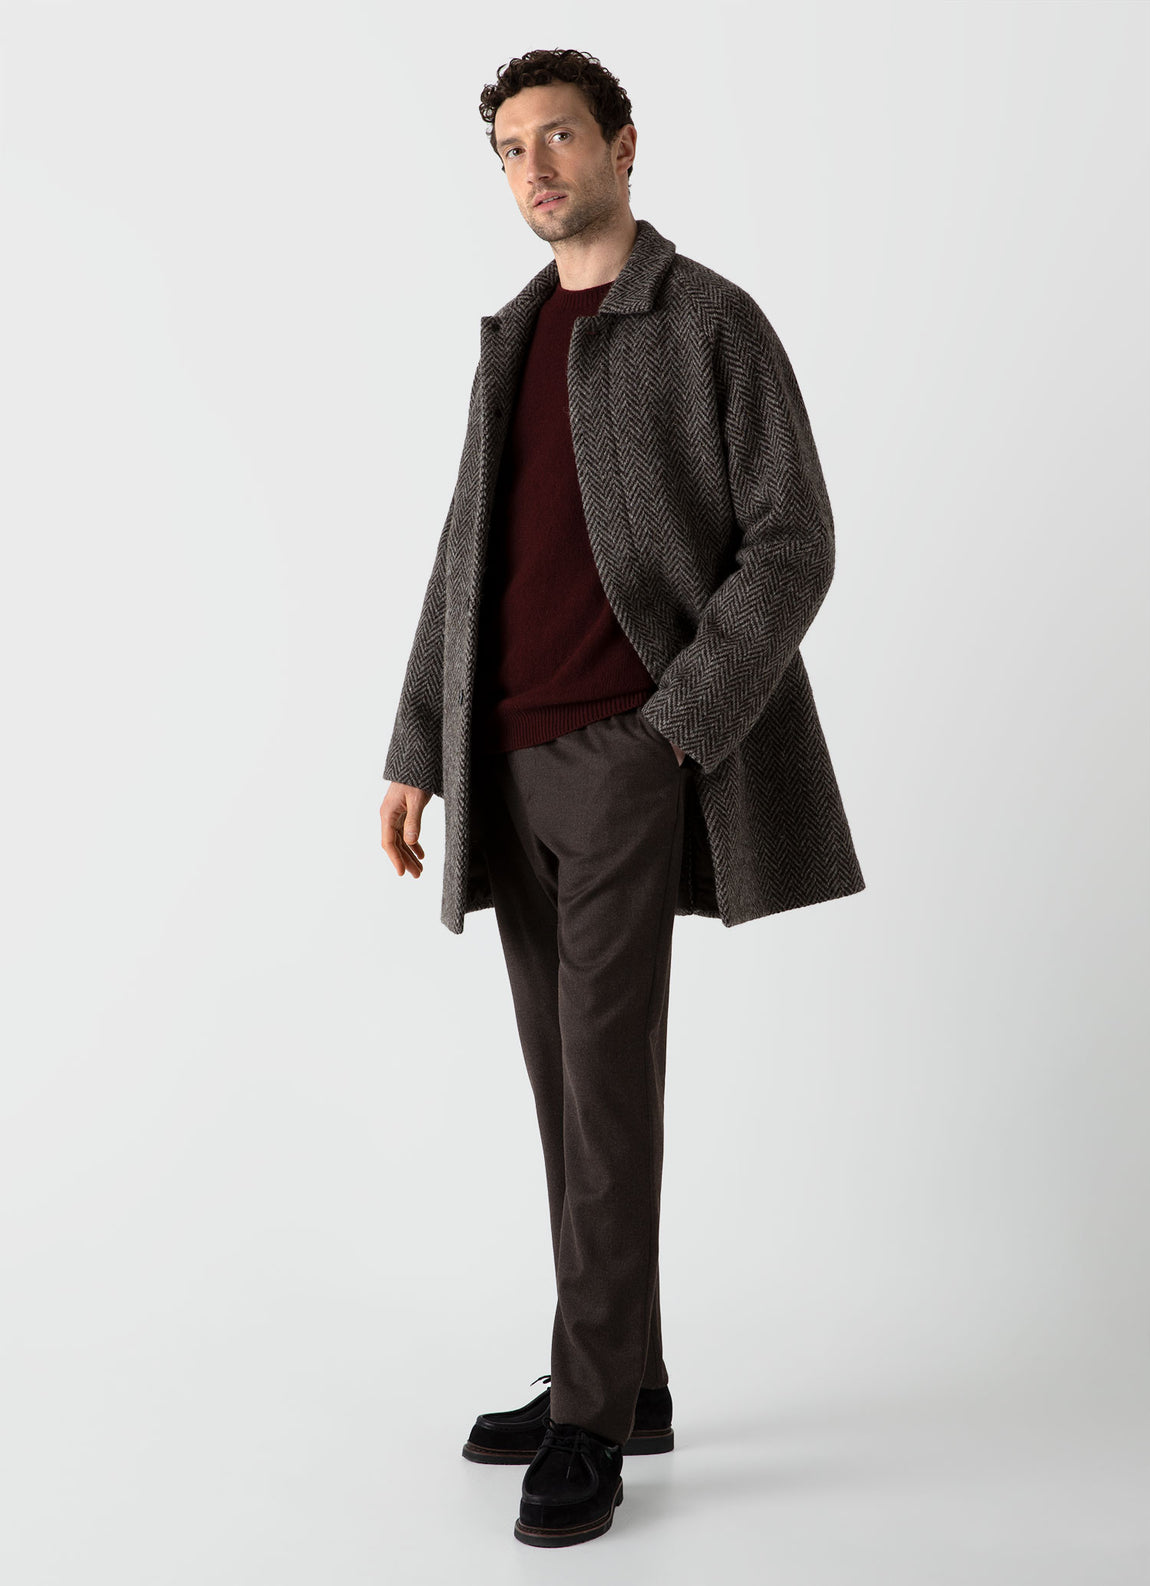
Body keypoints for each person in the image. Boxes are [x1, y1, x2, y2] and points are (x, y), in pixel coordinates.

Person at [379, 47, 866, 1549]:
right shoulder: (514, 338)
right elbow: (464, 554)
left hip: (623, 755)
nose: (534, 170)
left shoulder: (707, 320)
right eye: (510, 149)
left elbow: (794, 540)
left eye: (559, 139)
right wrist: (415, 744)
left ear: (623, 146)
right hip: (502, 761)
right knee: (565, 1085)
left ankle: (589, 1416)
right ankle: (625, 1376)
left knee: (604, 1085)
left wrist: (674, 730)